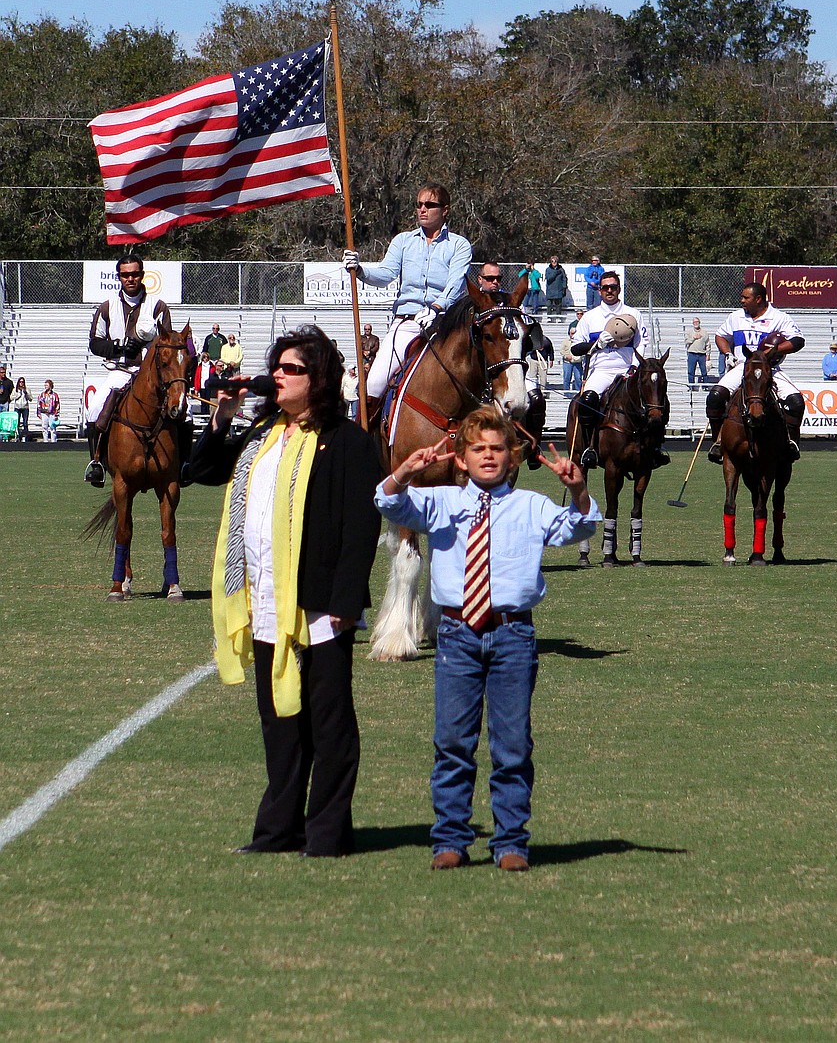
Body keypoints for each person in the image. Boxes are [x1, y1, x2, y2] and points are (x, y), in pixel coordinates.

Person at [375, 405, 600, 872]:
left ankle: (511, 841)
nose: (488, 456)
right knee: (453, 741)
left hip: (512, 634)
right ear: (460, 458)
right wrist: (403, 472)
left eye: (498, 449)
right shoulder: (441, 503)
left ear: (513, 457)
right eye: (478, 449)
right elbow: (389, 504)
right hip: (457, 634)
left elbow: (579, 527)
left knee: (512, 743)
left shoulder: (531, 506)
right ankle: (450, 839)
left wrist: (577, 490)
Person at [186, 326, 383, 857]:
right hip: (264, 598)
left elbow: (360, 528)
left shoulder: (347, 441)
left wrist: (345, 603)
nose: (277, 374)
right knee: (279, 722)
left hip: (319, 606)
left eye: (291, 368)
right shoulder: (260, 434)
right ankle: (277, 832)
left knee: (329, 724)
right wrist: (223, 416)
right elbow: (199, 469)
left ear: (318, 379)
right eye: (277, 365)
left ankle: (326, 834)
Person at [342, 184, 473, 409]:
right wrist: (361, 270)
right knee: (372, 384)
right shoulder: (403, 241)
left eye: (430, 205)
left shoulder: (459, 245)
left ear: (445, 210)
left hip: (447, 324)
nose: (422, 209)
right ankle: (365, 437)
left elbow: (456, 282)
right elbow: (385, 274)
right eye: (419, 204)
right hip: (408, 323)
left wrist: (436, 307)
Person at [84, 252, 174, 487]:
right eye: (125, 275)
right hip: (120, 371)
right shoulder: (107, 307)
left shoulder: (158, 306)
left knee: (185, 413)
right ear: (119, 277)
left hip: (151, 374)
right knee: (94, 410)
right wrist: (118, 345)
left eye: (134, 274)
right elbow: (95, 343)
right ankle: (97, 464)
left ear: (142, 275)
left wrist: (147, 345)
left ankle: (183, 464)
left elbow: (168, 342)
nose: (130, 279)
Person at [570, 271, 668, 469]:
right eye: (605, 287)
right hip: (601, 370)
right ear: (599, 290)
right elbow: (575, 347)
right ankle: (589, 447)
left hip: (629, 370)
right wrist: (595, 344)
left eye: (613, 287)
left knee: (660, 400)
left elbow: (641, 343)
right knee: (587, 399)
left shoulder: (634, 314)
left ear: (619, 289)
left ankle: (656, 447)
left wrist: (634, 366)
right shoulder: (590, 317)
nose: (609, 290)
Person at [706, 282, 806, 464]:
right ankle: (718, 442)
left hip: (770, 369)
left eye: (746, 297)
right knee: (715, 397)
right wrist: (727, 353)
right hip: (743, 367)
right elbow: (720, 336)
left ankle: (791, 442)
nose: (741, 300)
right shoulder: (736, 317)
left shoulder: (778, 317)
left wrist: (773, 351)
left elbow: (798, 341)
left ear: (758, 299)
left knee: (796, 402)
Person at [561, 310, 584, 393]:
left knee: (578, 378)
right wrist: (566, 356)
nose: (573, 335)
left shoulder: (580, 342)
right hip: (567, 362)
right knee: (567, 378)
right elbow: (561, 350)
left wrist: (574, 358)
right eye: (571, 333)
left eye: (581, 314)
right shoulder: (566, 341)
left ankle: (578, 393)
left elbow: (582, 353)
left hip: (577, 362)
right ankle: (566, 393)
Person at [685, 317, 712, 386]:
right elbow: (686, 342)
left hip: (702, 354)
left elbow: (708, 344)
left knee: (704, 371)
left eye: (697, 322)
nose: (696, 323)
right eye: (694, 322)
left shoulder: (704, 333)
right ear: (692, 323)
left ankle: (705, 386)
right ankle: (691, 386)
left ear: (699, 322)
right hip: (692, 354)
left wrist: (708, 355)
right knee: (691, 371)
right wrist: (693, 338)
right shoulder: (689, 332)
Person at [194, 351, 214, 415]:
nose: (205, 359)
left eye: (207, 357)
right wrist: (196, 389)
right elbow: (197, 378)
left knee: (208, 402)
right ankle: (203, 415)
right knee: (203, 402)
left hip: (209, 386)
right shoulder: (199, 367)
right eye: (204, 357)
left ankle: (208, 415)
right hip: (202, 386)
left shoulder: (212, 366)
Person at [12, 377, 32, 441]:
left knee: (25, 422)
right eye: (20, 382)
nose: (21, 383)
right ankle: (18, 436)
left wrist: (26, 394)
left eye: (22, 382)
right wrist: (18, 395)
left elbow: (31, 399)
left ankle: (26, 436)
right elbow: (11, 397)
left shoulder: (27, 389)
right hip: (17, 407)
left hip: (25, 408)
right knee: (17, 422)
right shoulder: (15, 389)